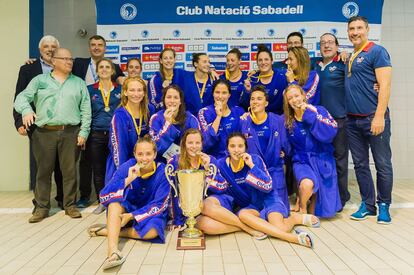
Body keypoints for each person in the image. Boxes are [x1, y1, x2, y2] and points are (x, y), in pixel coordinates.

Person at [14, 48, 91, 223]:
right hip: (44, 133)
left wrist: (84, 131)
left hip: (71, 132)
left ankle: (70, 205)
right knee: (43, 171)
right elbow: (21, 99)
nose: (69, 61)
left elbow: (86, 110)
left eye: (70, 58)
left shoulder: (78, 83)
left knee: (70, 171)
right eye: (65, 58)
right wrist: (26, 111)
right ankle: (41, 208)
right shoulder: (39, 80)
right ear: (53, 61)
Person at [215, 133, 318, 248]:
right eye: (232, 146)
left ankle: (294, 219)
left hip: (269, 199)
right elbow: (217, 183)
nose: (236, 150)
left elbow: (268, 186)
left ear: (246, 148)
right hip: (252, 205)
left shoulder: (255, 160)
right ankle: (284, 229)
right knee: (243, 215)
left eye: (240, 146)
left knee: (280, 227)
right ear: (227, 148)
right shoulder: (222, 165)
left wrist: (252, 166)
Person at [88, 136, 170, 270]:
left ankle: (109, 230)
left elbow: (160, 204)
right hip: (126, 209)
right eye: (140, 154)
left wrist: (132, 216)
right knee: (114, 204)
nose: (144, 158)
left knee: (153, 231)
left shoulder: (163, 171)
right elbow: (104, 196)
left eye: (148, 154)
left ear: (155, 154)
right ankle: (113, 251)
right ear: (134, 154)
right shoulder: (127, 167)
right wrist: (128, 179)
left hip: (146, 214)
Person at [345, 16, 393, 224]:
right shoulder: (351, 55)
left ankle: (384, 206)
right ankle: (368, 205)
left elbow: (385, 85)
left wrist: (380, 115)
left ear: (367, 29)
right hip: (352, 121)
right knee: (361, 165)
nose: (355, 32)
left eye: (359, 28)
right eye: (351, 29)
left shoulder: (377, 52)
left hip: (374, 118)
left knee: (382, 164)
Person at [13, 35, 64, 209]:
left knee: (62, 166)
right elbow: (19, 95)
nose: (49, 49)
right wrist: (19, 121)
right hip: (37, 125)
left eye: (53, 47)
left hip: (62, 124)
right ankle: (40, 203)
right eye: (46, 47)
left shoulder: (65, 66)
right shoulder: (27, 69)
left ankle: (63, 199)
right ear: (40, 49)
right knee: (42, 166)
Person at [283, 84, 341, 218]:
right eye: (290, 98)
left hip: (322, 160)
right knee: (307, 185)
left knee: (319, 212)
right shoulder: (288, 121)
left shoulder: (318, 110)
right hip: (302, 161)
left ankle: (307, 202)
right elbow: (287, 145)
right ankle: (302, 208)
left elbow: (331, 132)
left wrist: (309, 115)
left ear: (303, 96)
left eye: (297, 96)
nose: (295, 100)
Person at [76, 58, 122, 213]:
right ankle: (102, 200)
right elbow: (83, 113)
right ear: (97, 71)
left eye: (107, 67)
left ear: (113, 71)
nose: (104, 69)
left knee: (116, 167)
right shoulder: (89, 90)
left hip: (115, 134)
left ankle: (114, 198)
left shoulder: (121, 89)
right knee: (98, 168)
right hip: (95, 134)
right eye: (101, 67)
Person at [240, 85, 290, 212]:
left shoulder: (277, 121)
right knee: (258, 213)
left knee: (279, 212)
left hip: (275, 172)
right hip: (256, 174)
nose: (255, 101)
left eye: (259, 99)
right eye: (252, 99)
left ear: (266, 103)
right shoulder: (244, 122)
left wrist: (284, 153)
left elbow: (286, 146)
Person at [314, 33, 350, 209]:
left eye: (330, 43)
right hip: (319, 122)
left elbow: (358, 80)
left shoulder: (343, 63)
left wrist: (347, 55)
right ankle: (325, 197)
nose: (326, 46)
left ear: (337, 46)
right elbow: (288, 63)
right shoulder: (315, 64)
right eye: (323, 43)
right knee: (322, 160)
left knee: (340, 160)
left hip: (339, 120)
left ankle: (341, 198)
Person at [165, 129, 228, 228]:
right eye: (190, 143)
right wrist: (177, 220)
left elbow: (222, 187)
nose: (194, 146)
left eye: (197, 143)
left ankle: (244, 226)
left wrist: (207, 171)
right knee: (206, 225)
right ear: (184, 144)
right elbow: (173, 192)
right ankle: (244, 226)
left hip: (208, 208)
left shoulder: (210, 160)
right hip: (187, 211)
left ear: (202, 144)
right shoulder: (175, 162)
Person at [105, 77, 155, 185]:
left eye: (139, 90)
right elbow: (119, 149)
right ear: (125, 92)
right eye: (132, 90)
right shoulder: (120, 116)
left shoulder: (150, 110)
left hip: (145, 161)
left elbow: (155, 137)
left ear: (144, 92)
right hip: (125, 163)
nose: (136, 94)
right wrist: (125, 173)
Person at [149, 84, 200, 161]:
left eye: (176, 98)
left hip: (186, 161)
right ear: (164, 100)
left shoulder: (191, 119)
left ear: (180, 102)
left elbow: (197, 145)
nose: (172, 101)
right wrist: (167, 124)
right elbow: (156, 147)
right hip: (161, 162)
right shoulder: (156, 118)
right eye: (169, 97)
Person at [198, 79, 244, 158]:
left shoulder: (239, 112)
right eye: (217, 92)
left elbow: (246, 140)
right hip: (212, 161)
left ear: (229, 95)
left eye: (224, 93)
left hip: (235, 160)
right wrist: (218, 116)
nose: (220, 96)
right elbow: (206, 143)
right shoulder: (204, 113)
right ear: (212, 93)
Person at [242, 44, 287, 114]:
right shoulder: (252, 79)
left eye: (266, 59)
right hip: (257, 119)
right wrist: (247, 91)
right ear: (257, 62)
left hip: (278, 119)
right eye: (260, 60)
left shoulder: (282, 76)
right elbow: (244, 105)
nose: (263, 62)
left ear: (272, 61)